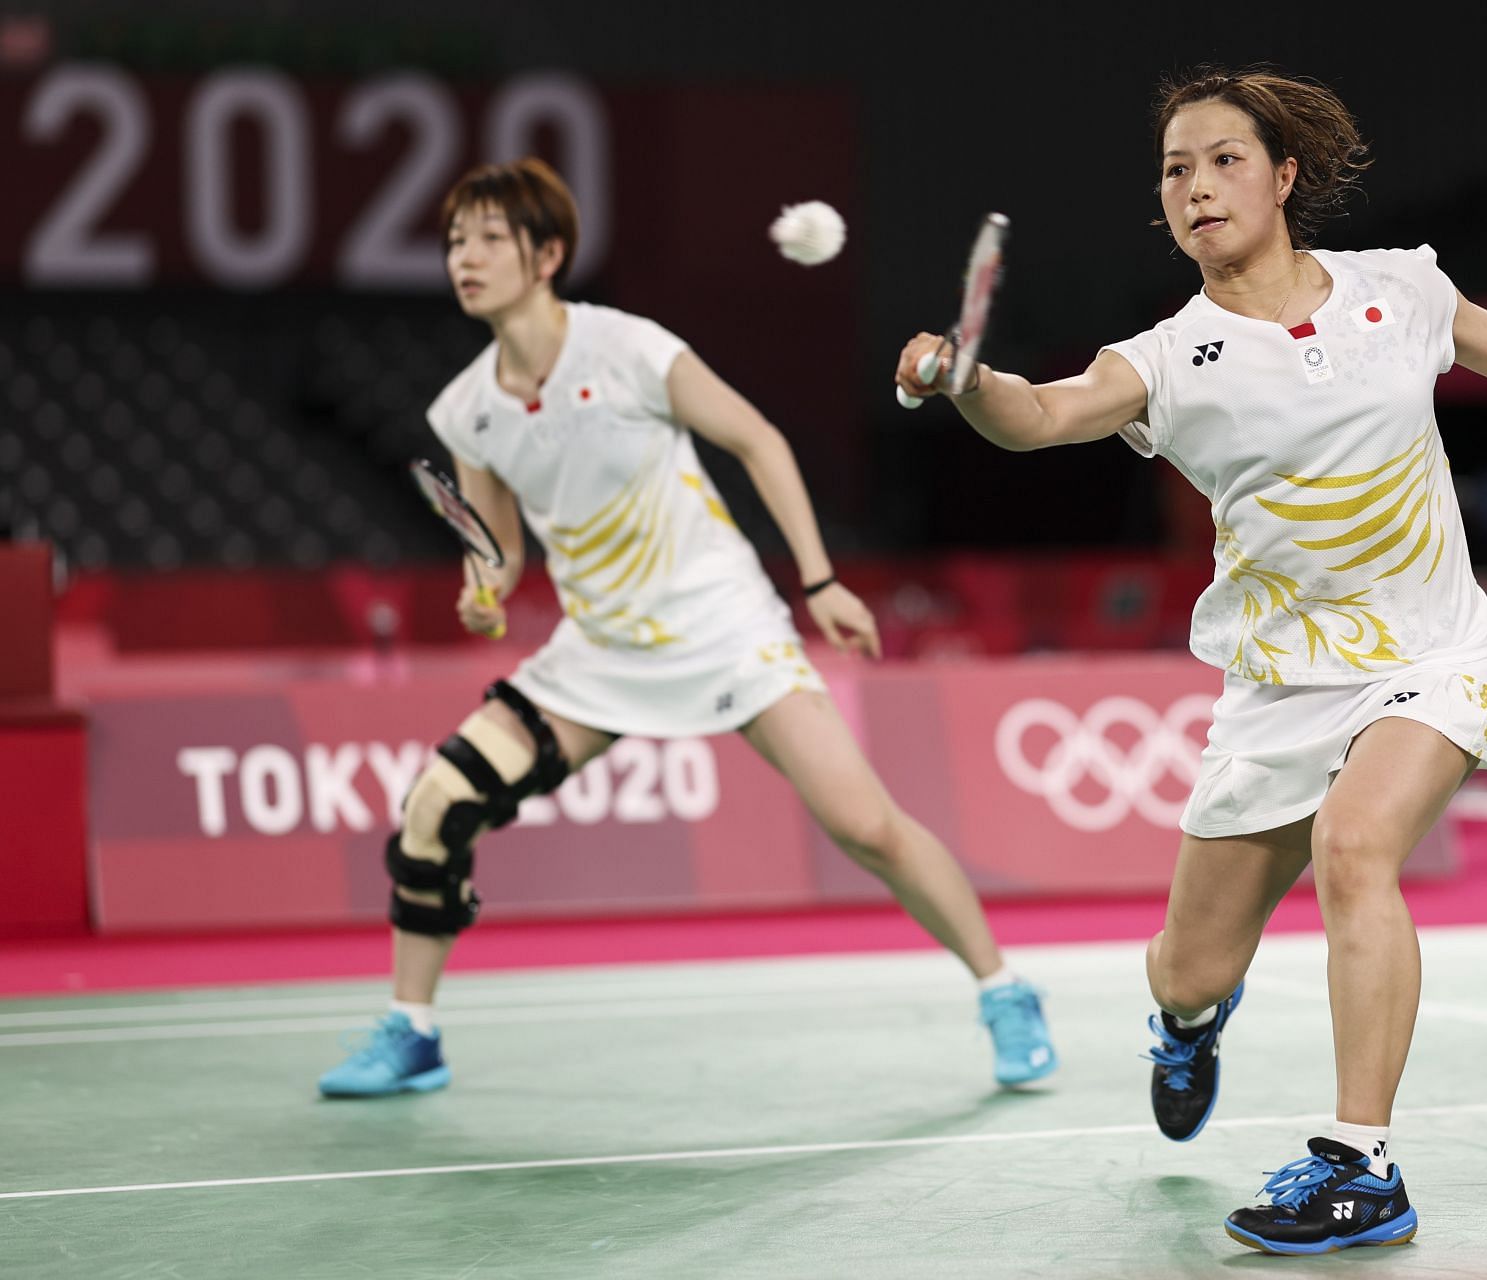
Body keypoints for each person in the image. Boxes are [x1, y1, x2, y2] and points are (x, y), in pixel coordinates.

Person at [895, 66, 1487, 1255]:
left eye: (1223, 159)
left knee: (1356, 845)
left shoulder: (1402, 290)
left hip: (1427, 649)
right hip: (1277, 686)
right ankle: (1187, 1021)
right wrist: (967, 382)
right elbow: (1043, 412)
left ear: (1284, 176)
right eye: (1175, 169)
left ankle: (1360, 1163)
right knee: (1183, 966)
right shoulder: (1169, 355)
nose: (1197, 185)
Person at [320, 156, 1056, 1099]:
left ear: (546, 254)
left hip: (722, 625)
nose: (466, 257)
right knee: (438, 805)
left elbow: (757, 439)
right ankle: (411, 1029)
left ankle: (1004, 990)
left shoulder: (628, 349)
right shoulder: (464, 411)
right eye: (456, 241)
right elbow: (499, 549)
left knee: (865, 825)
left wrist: (821, 579)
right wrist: (484, 585)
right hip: (600, 651)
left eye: (490, 239)